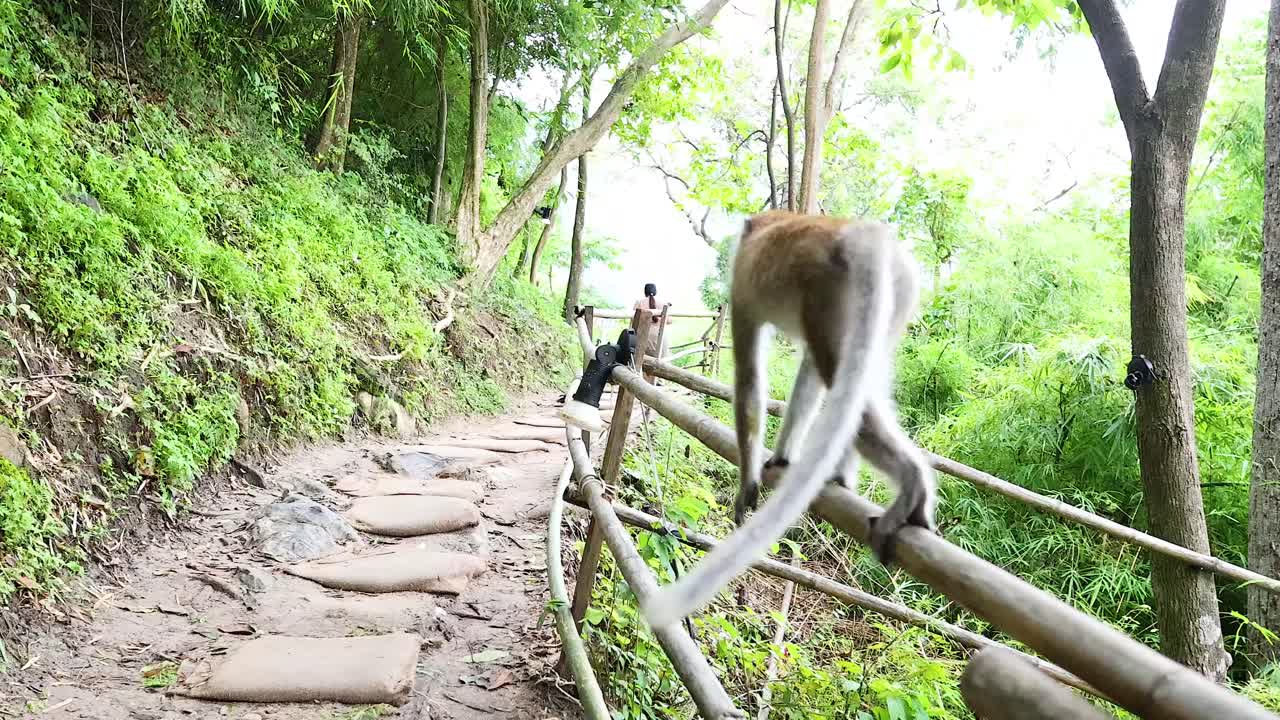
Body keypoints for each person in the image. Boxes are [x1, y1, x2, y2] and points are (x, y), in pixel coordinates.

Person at [632, 283, 672, 360]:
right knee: (662, 362)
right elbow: (669, 321)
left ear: (645, 292)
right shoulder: (663, 303)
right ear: (655, 291)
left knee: (643, 362)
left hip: (644, 337)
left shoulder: (639, 302)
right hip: (661, 338)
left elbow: (634, 320)